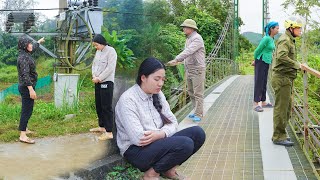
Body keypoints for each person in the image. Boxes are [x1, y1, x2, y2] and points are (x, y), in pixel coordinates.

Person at [115, 57, 206, 180]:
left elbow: (173, 122)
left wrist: (161, 134)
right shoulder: (128, 100)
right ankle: (151, 174)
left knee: (198, 133)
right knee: (185, 144)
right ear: (143, 77)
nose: (161, 84)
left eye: (163, 79)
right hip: (136, 151)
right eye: (156, 79)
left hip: (157, 143)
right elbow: (139, 138)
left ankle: (168, 169)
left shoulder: (158, 94)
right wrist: (162, 133)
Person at [271, 17, 306, 146]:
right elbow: (281, 56)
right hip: (282, 78)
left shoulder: (288, 39)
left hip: (285, 78)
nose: (300, 30)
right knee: (281, 108)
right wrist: (297, 65)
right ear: (291, 28)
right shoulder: (285, 40)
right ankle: (278, 137)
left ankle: (281, 134)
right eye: (298, 28)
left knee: (285, 108)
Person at [167, 19, 206, 122]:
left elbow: (189, 51)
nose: (183, 29)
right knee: (191, 92)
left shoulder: (197, 38)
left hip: (197, 69)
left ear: (191, 28)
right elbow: (187, 54)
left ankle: (199, 113)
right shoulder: (188, 39)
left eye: (185, 27)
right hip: (189, 69)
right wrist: (181, 62)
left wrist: (176, 59)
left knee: (198, 93)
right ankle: (195, 111)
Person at [17, 36, 45, 144]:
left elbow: (33, 48)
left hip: (27, 87)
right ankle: (23, 135)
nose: (31, 45)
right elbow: (25, 75)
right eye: (29, 43)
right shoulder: (23, 58)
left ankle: (25, 128)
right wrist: (31, 89)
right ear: (24, 46)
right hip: (26, 87)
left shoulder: (26, 54)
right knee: (27, 110)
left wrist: (39, 42)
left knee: (28, 109)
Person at [90, 34, 117, 141]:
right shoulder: (98, 52)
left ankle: (109, 131)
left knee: (106, 106)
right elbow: (94, 65)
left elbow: (110, 68)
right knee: (99, 105)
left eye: (96, 45)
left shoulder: (111, 51)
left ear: (102, 43)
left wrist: (99, 78)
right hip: (97, 81)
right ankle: (102, 127)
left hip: (106, 82)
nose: (96, 47)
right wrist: (94, 75)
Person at [253, 21, 279, 112]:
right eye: (276, 28)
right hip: (261, 61)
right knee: (259, 81)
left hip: (266, 62)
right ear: (271, 29)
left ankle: (263, 102)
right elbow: (257, 50)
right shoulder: (266, 39)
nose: (278, 30)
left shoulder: (272, 39)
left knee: (264, 81)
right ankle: (255, 103)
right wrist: (255, 60)